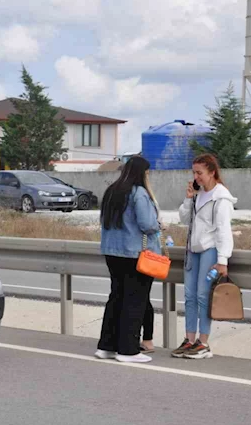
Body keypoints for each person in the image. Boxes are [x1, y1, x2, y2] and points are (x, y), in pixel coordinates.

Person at [95, 156, 161, 363]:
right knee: (135, 301)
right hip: (134, 253)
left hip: (112, 252)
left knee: (116, 297)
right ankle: (128, 350)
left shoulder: (112, 191)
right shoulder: (139, 193)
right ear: (142, 173)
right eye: (147, 173)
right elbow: (147, 224)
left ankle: (106, 346)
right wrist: (158, 224)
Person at [171, 154, 237, 360]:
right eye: (194, 173)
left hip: (210, 250)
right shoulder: (198, 194)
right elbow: (184, 219)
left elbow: (223, 230)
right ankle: (189, 339)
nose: (196, 177)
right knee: (189, 296)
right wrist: (188, 198)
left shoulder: (221, 198)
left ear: (212, 172)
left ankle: (204, 343)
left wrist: (223, 260)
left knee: (203, 296)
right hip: (193, 250)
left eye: (199, 173)